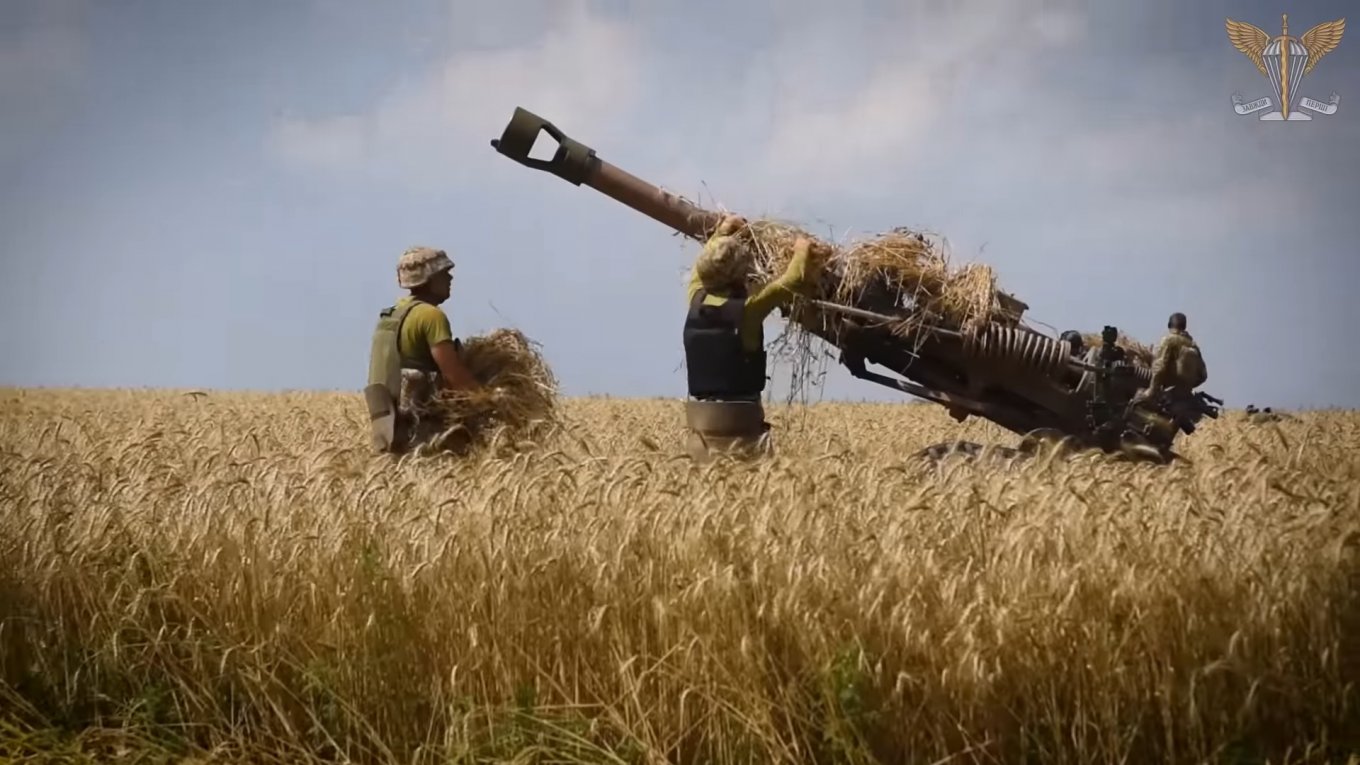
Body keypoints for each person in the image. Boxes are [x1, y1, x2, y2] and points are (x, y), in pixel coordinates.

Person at [681, 214, 828, 461]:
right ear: (739, 276)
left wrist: (721, 233)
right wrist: (802, 249)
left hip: (701, 430)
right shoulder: (748, 311)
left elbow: (699, 269)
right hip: (742, 430)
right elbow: (792, 280)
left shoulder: (695, 297)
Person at [364, 246, 484, 453]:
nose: (450, 278)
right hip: (421, 427)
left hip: (388, 425)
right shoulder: (431, 316)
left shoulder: (391, 314)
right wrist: (486, 398)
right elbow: (453, 373)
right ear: (429, 279)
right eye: (444, 273)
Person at [1137, 311, 1207, 401]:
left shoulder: (1168, 340)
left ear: (1169, 325)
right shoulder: (1193, 346)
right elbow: (1203, 376)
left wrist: (1151, 391)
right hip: (1183, 393)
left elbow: (1159, 367)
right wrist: (1185, 388)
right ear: (1184, 327)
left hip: (1166, 385)